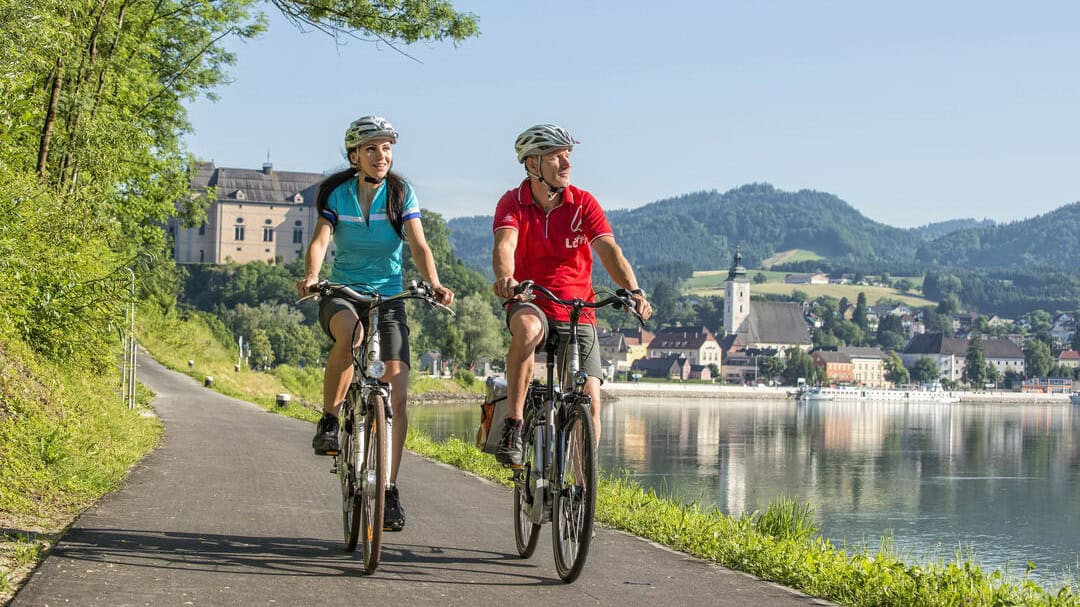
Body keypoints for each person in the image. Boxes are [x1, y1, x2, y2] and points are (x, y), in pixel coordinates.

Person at [295, 115, 454, 530]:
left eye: (386, 148)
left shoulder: (401, 193)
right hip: (343, 293)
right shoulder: (337, 194)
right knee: (353, 333)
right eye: (371, 148)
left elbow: (419, 244)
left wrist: (434, 283)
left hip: (389, 297)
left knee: (397, 396)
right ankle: (330, 420)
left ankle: (388, 489)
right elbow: (320, 241)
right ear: (354, 156)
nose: (381, 155)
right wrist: (313, 277)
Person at [491, 123, 652, 466]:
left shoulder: (583, 203)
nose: (566, 164)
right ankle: (514, 425)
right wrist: (506, 278)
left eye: (568, 156)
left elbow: (609, 251)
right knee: (528, 330)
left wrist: (634, 290)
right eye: (556, 157)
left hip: (578, 309)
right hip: (531, 300)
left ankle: (581, 493)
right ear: (533, 164)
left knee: (591, 401)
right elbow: (505, 244)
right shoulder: (513, 202)